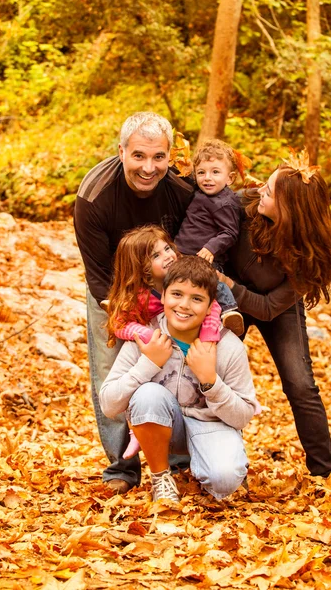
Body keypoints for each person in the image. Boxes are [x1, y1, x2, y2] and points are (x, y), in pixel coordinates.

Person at [74, 112, 194, 494]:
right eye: (139, 155)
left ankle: (177, 461)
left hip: (169, 292)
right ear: (121, 151)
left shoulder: (181, 190)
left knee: (178, 365)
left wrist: (175, 308)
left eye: (158, 157)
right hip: (113, 292)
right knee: (111, 374)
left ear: (169, 155)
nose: (149, 167)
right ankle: (122, 468)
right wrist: (134, 327)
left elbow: (190, 253)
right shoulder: (93, 197)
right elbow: (98, 278)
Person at [219, 149, 331, 478]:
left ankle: (326, 471)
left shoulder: (311, 252)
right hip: (228, 302)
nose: (260, 189)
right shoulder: (245, 203)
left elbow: (269, 307)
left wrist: (229, 284)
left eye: (270, 190)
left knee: (300, 385)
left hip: (274, 306)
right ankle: (220, 464)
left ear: (290, 208)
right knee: (215, 375)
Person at [100, 256, 261, 502]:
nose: (184, 305)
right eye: (176, 294)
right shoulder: (147, 336)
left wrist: (210, 381)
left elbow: (243, 416)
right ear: (162, 296)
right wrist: (149, 363)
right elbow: (109, 405)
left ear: (210, 307)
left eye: (196, 299)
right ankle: (161, 476)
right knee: (148, 394)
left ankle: (215, 462)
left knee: (225, 480)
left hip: (211, 425)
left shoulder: (228, 346)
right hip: (160, 421)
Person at [104, 224, 222, 459]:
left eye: (167, 248)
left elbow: (213, 308)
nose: (167, 256)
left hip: (189, 346)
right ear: (141, 268)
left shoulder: (185, 280)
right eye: (156, 255)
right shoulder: (141, 296)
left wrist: (208, 341)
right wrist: (145, 335)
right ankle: (137, 429)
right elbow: (118, 323)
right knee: (146, 388)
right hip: (155, 347)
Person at [175, 139, 244, 335]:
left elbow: (230, 232)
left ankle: (229, 310)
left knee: (210, 281)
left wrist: (211, 248)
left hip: (204, 257)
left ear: (229, 178)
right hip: (183, 254)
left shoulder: (225, 202)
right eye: (201, 172)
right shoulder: (203, 193)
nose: (207, 178)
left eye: (215, 172)